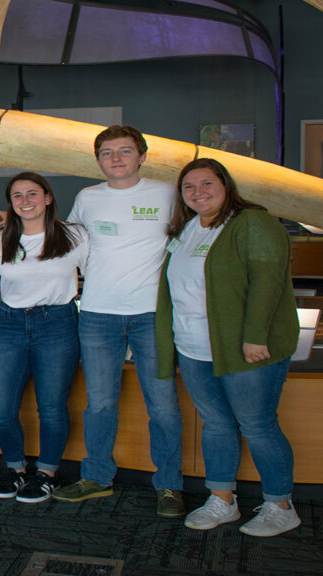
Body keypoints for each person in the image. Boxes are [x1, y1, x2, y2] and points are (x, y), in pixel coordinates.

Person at [156, 158, 300, 537]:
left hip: (243, 348)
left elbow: (268, 283)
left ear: (226, 184)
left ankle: (280, 505)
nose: (197, 192)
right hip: (193, 348)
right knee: (217, 425)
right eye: (189, 187)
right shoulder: (187, 227)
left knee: (257, 425)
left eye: (206, 184)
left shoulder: (253, 222)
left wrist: (256, 336)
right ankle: (223, 499)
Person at [52, 125, 186, 518]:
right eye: (107, 153)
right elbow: (65, 241)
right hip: (97, 315)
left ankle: (169, 486)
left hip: (151, 316)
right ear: (97, 160)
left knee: (162, 405)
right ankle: (96, 477)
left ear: (142, 156)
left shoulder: (167, 193)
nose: (116, 159)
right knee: (99, 404)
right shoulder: (88, 197)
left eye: (125, 151)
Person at [0, 173, 89, 504]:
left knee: (52, 407)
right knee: (0, 406)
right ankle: (15, 469)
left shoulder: (74, 235)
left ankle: (47, 474)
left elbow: (95, 277)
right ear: (10, 203)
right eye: (17, 195)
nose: (25, 200)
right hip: (12, 324)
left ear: (47, 198)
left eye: (32, 193)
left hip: (57, 323)